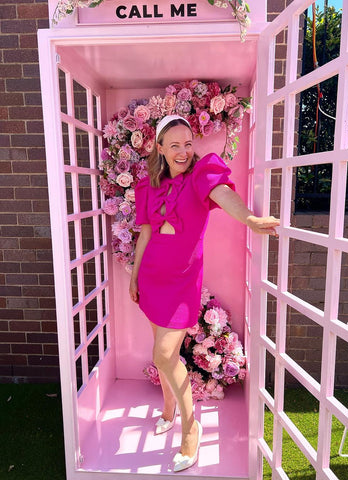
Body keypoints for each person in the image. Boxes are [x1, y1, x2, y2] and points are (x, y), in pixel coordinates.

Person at [129, 114, 279, 472]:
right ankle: (168, 409)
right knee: (166, 354)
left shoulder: (201, 174)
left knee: (164, 354)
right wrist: (134, 278)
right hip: (151, 278)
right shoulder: (148, 187)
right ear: (160, 148)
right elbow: (146, 236)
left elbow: (223, 194)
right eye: (175, 145)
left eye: (188, 144)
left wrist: (250, 219)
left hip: (181, 283)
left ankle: (190, 426)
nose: (183, 152)